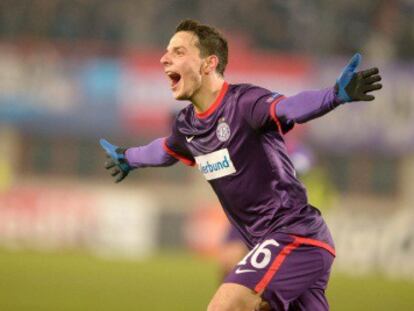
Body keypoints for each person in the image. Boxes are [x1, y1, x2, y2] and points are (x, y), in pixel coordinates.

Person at [100, 19, 382, 311]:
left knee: (225, 307)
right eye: (166, 50)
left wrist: (333, 95)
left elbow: (290, 107)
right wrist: (128, 157)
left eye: (179, 51)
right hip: (272, 245)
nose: (164, 58)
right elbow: (164, 150)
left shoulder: (245, 102)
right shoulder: (186, 125)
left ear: (209, 64)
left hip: (295, 236)